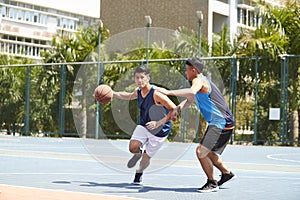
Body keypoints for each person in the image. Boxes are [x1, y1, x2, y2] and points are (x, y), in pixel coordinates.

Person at [158, 57, 235, 193]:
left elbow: (192, 92)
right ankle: (226, 173)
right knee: (209, 153)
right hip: (221, 122)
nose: (185, 73)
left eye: (187, 70)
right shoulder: (201, 81)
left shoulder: (198, 80)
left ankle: (212, 182)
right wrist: (177, 109)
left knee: (201, 151)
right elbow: (189, 100)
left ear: (193, 70)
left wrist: (168, 92)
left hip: (221, 122)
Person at [112, 65, 178, 185]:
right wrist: (113, 93)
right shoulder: (138, 91)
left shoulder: (156, 94)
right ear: (134, 79)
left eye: (142, 77)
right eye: (137, 77)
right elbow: (127, 96)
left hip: (160, 130)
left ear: (148, 78)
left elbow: (174, 108)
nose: (139, 80)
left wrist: (158, 122)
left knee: (146, 158)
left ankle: (138, 175)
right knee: (132, 147)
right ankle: (138, 153)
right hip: (145, 125)